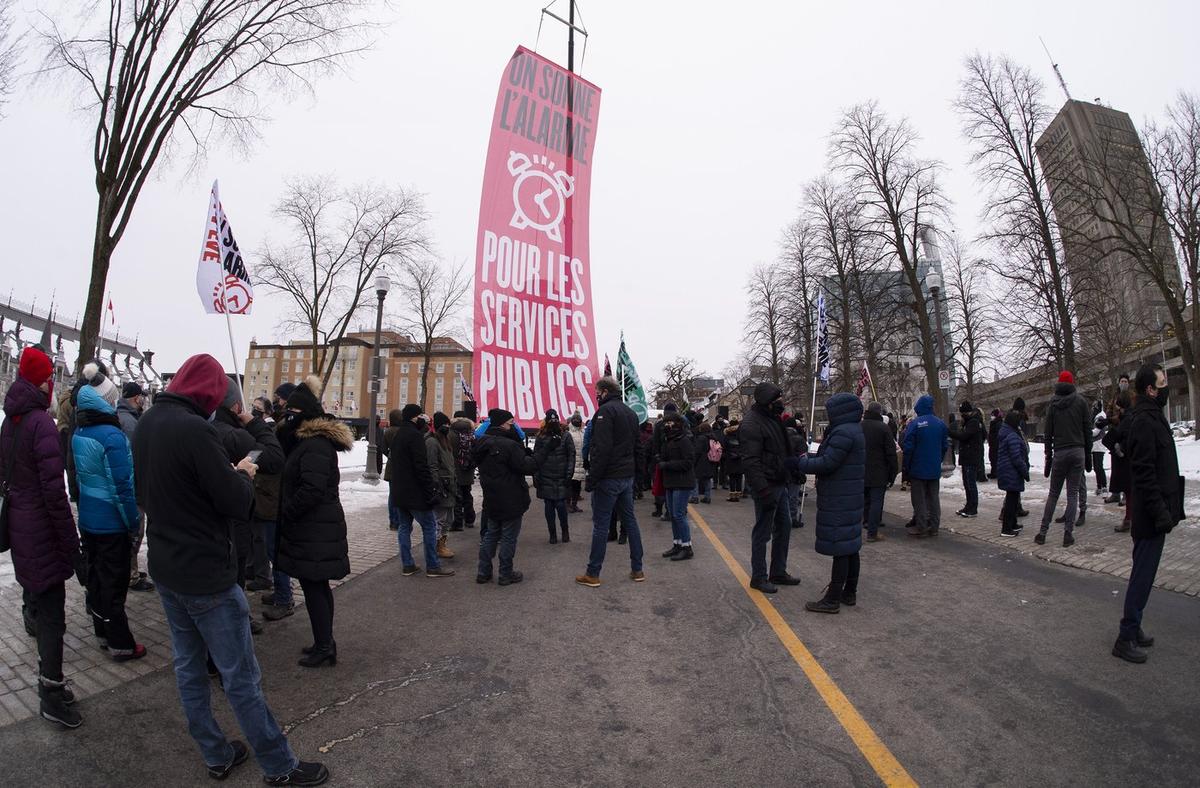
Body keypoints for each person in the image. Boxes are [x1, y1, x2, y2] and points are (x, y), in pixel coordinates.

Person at [133, 353, 327, 785]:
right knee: (241, 675)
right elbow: (237, 504)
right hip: (207, 574)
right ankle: (280, 766)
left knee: (188, 666)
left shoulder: (147, 422)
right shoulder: (196, 431)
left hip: (166, 566)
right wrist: (242, 472)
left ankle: (216, 752)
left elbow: (146, 490)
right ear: (208, 393)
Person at [2, 347, 83, 728]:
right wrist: (73, 545)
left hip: (20, 525)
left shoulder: (11, 420)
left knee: (37, 603)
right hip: (42, 531)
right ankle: (51, 691)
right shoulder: (41, 424)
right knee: (52, 617)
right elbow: (55, 493)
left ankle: (50, 681)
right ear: (43, 382)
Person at [275, 377, 352, 669]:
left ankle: (324, 646)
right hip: (315, 527)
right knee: (315, 586)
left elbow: (312, 489)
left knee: (315, 588)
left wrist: (289, 513)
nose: (286, 417)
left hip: (314, 527)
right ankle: (324, 642)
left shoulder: (315, 446)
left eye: (291, 412)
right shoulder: (308, 443)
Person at [72, 380, 147, 661]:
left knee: (96, 580)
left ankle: (102, 632)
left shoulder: (81, 430)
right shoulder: (112, 437)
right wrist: (131, 523)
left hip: (90, 518)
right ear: (107, 401)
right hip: (111, 523)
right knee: (114, 585)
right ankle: (121, 643)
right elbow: (122, 487)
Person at [1113, 364, 1182, 664]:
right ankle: (1125, 636)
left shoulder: (1153, 416)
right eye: (1163, 383)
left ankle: (1135, 625)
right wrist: (1160, 512)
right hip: (1151, 514)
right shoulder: (1144, 420)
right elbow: (1143, 472)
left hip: (1157, 511)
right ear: (1151, 389)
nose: (1166, 387)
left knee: (1146, 573)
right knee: (1142, 575)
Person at [211, 380, 285, 636]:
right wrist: (255, 425)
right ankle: (236, 622)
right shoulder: (234, 435)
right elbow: (274, 458)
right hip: (235, 520)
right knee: (235, 576)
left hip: (208, 526)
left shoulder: (202, 429)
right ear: (235, 406)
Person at [795, 393, 865, 614]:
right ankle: (849, 592)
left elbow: (828, 463)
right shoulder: (853, 429)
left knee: (841, 547)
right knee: (850, 546)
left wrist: (801, 463)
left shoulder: (843, 432)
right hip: (848, 495)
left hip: (840, 496)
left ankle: (832, 598)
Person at [576, 376, 645, 587]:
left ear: (604, 392)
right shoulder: (631, 413)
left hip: (609, 477)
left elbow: (601, 449)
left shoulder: (604, 413)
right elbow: (637, 447)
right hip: (626, 476)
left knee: (601, 525)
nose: (596, 396)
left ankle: (593, 573)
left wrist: (592, 479)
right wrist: (638, 477)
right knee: (630, 521)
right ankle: (637, 569)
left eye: (597, 392)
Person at [738, 382, 799, 594]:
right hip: (766, 485)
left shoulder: (772, 420)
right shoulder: (751, 424)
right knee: (763, 532)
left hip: (779, 481)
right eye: (776, 400)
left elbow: (783, 450)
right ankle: (759, 576)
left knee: (785, 526)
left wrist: (793, 470)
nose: (780, 403)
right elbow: (751, 461)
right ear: (766, 401)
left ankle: (778, 571)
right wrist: (762, 490)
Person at [475, 409, 547, 584]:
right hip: (511, 497)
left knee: (491, 535)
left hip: (491, 497)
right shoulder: (509, 445)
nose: (512, 426)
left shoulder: (482, 443)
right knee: (508, 537)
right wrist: (541, 453)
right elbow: (527, 467)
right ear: (502, 423)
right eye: (510, 423)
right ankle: (505, 573)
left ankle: (483, 572)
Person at [388, 404, 454, 577]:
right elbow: (421, 467)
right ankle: (433, 566)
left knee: (404, 527)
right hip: (415, 492)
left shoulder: (398, 435)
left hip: (399, 492)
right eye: (421, 417)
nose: (424, 420)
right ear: (415, 417)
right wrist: (430, 490)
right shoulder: (415, 436)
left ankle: (407, 564)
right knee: (430, 526)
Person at [1037, 371, 1092, 547]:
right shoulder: (1081, 402)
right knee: (1072, 493)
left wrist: (1048, 456)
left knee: (1053, 494)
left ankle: (1042, 532)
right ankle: (1068, 534)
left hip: (1060, 453)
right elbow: (1087, 430)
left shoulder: (1053, 404)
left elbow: (1048, 433)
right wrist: (1088, 454)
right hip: (1077, 451)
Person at [115, 381, 154, 592]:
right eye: (142, 397)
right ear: (136, 398)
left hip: (128, 485)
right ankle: (129, 575)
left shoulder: (122, 415)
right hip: (133, 486)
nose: (144, 400)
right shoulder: (129, 422)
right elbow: (135, 457)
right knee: (135, 530)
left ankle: (129, 570)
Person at [902, 394, 949, 538]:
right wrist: (937, 461)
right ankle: (934, 527)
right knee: (934, 498)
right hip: (934, 468)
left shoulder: (915, 424)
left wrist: (907, 466)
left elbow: (908, 448)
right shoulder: (940, 424)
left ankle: (921, 527)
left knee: (919, 499)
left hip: (918, 468)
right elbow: (944, 446)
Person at [658, 412, 697, 561]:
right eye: (666, 423)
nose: (667, 425)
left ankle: (687, 547)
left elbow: (688, 462)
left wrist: (667, 464)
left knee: (679, 515)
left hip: (682, 482)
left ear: (678, 424)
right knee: (673, 516)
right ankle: (677, 544)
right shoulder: (668, 440)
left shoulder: (684, 440)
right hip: (670, 482)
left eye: (670, 422)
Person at [534, 409, 576, 544]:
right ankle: (552, 533)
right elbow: (536, 457)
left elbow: (571, 456)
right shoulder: (541, 437)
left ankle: (565, 531)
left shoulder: (566, 436)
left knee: (561, 505)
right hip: (546, 475)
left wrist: (569, 474)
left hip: (561, 475)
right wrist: (537, 475)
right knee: (549, 507)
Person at [861, 402, 897, 542]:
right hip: (879, 472)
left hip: (862, 470)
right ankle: (872, 532)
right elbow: (891, 453)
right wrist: (892, 473)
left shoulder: (859, 426)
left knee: (865, 500)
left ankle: (865, 522)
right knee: (876, 502)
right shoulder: (883, 428)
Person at [426, 412, 458, 559]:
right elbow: (432, 465)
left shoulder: (445, 440)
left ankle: (442, 543)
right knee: (440, 519)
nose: (447, 427)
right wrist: (436, 485)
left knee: (448, 519)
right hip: (441, 486)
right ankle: (436, 546)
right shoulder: (432, 442)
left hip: (449, 485)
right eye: (444, 424)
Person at [996, 410, 1030, 537]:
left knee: (1014, 499)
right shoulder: (1012, 436)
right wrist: (1025, 472)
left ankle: (1013, 523)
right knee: (1011, 500)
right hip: (1012, 472)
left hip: (1008, 471)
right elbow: (1017, 457)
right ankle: (1006, 528)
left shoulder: (1007, 433)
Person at [948, 401, 985, 518]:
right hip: (968, 457)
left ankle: (972, 508)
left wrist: (949, 432)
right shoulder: (971, 422)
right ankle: (969, 505)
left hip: (971, 457)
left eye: (962, 413)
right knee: (967, 483)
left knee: (970, 483)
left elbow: (964, 436)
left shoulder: (973, 423)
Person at [1104, 393, 1133, 531]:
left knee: (1129, 491)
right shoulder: (1125, 417)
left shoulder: (1128, 419)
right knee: (1129, 492)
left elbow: (1126, 437)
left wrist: (1118, 446)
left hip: (1126, 460)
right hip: (1126, 459)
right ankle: (1130, 518)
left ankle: (1129, 519)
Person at [450, 412, 478, 530]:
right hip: (468, 470)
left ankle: (457, 522)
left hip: (455, 469)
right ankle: (470, 519)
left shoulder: (451, 434)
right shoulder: (472, 434)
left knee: (457, 497)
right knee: (467, 495)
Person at [382, 409, 404, 532]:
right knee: (400, 494)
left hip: (391, 466)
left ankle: (393, 522)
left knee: (392, 495)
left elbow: (384, 448)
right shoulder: (402, 431)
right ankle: (400, 520)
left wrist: (391, 455)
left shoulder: (388, 432)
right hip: (401, 467)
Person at [692, 421, 718, 504]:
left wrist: (693, 461)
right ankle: (707, 497)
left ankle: (695, 497)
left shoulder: (701, 438)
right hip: (711, 460)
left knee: (695, 479)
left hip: (701, 460)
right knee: (707, 479)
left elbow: (698, 451)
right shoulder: (714, 437)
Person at [567, 413, 586, 513]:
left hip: (580, 463)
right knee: (570, 485)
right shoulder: (569, 433)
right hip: (572, 462)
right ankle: (568, 504)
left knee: (577, 486)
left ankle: (574, 504)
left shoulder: (582, 432)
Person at [723, 419, 744, 502]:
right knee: (739, 476)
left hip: (730, 458)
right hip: (740, 458)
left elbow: (724, 446)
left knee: (732, 477)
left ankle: (732, 496)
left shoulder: (727, 434)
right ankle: (738, 495)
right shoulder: (741, 433)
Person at [1092, 411, 1109, 496]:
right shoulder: (1097, 417)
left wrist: (1087, 432)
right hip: (1096, 446)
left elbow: (1096, 432)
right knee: (1096, 467)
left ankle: (1104, 486)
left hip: (1099, 445)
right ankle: (1099, 486)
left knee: (1099, 467)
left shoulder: (1100, 418)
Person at [986, 408, 1002, 479]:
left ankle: (995, 473)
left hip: (996, 444)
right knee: (993, 458)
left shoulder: (998, 423)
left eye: (993, 415)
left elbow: (997, 435)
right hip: (993, 444)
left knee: (995, 459)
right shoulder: (994, 423)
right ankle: (994, 472)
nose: (991, 417)